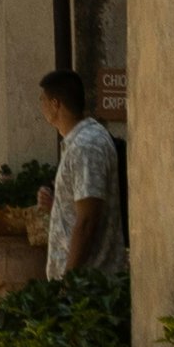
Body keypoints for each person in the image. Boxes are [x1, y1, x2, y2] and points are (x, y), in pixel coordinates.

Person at [42, 63, 122, 284]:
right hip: (83, 280)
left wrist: (69, 280)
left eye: (43, 101)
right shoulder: (80, 142)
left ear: (55, 104)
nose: (42, 107)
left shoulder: (86, 146)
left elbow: (87, 219)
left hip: (87, 283)